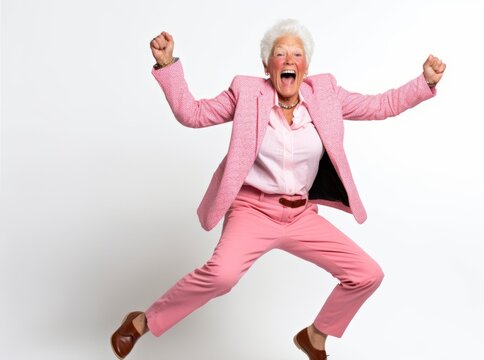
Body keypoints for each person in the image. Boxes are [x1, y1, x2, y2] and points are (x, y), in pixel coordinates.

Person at [111, 19, 446, 360]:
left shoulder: (326, 94)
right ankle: (141, 322)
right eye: (280, 53)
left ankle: (315, 336)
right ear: (267, 66)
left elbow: (379, 106)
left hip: (300, 215)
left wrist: (424, 83)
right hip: (252, 210)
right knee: (222, 275)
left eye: (297, 54)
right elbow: (193, 114)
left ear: (306, 66)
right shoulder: (246, 93)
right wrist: (168, 65)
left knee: (367, 274)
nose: (289, 60)